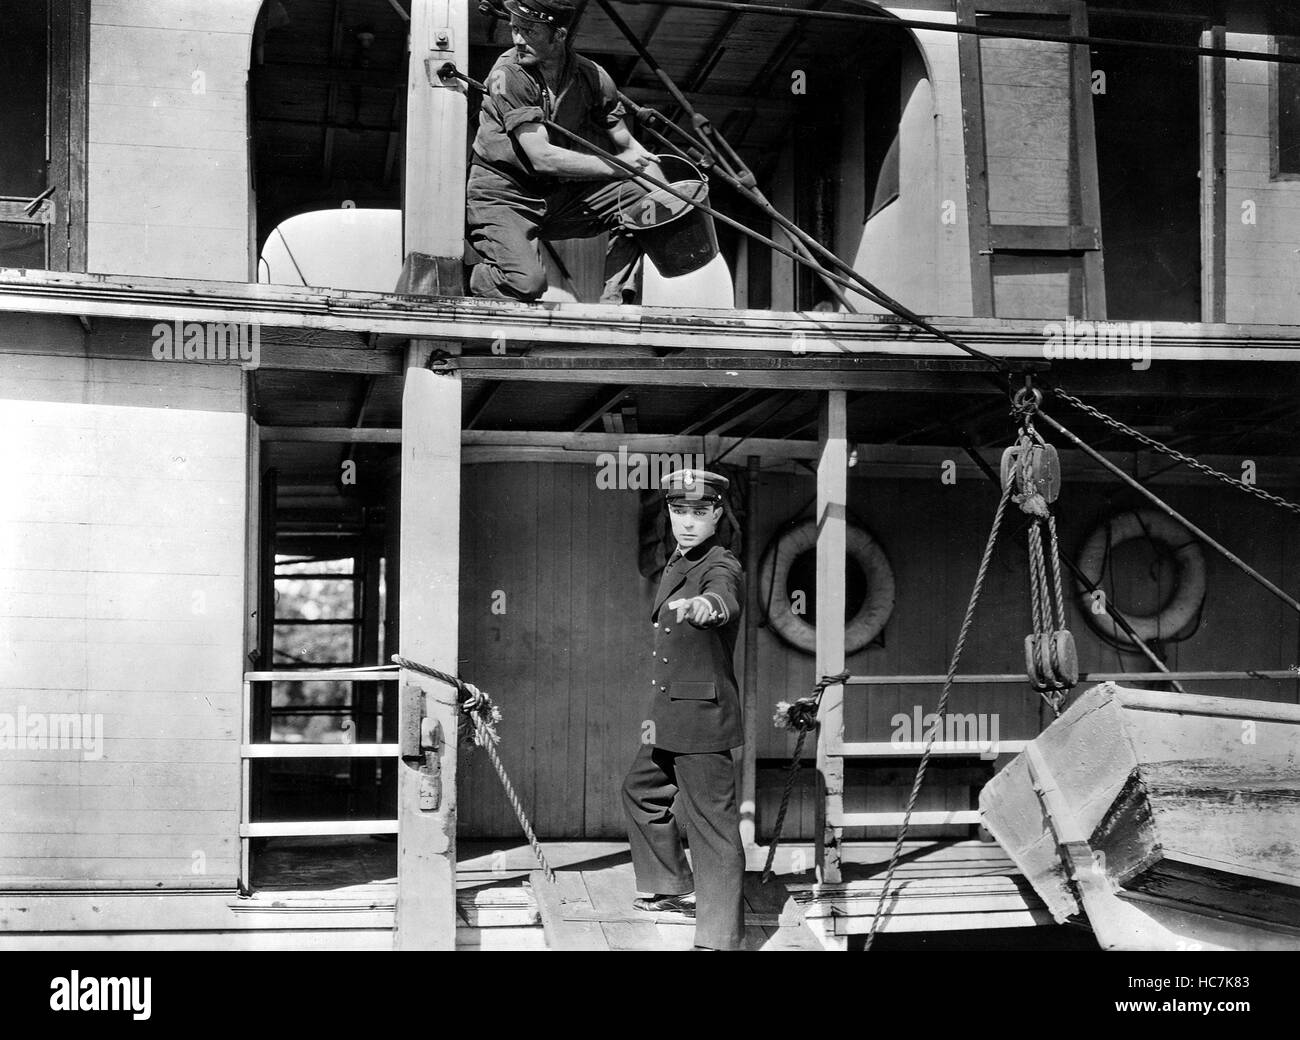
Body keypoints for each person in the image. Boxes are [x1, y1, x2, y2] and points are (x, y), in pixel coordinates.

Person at [621, 468, 746, 951]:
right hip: (668, 716)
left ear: (717, 514)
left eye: (698, 512)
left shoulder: (720, 562)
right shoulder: (677, 560)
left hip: (702, 719)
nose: (687, 521)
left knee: (713, 830)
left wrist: (708, 607)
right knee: (639, 792)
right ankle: (671, 887)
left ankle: (718, 940)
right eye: (678, 511)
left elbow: (723, 597)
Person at [467, 0, 664, 303]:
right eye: (514, 29)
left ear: (558, 35)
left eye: (528, 31)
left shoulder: (593, 77)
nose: (518, 40)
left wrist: (668, 196)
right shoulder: (509, 73)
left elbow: (629, 148)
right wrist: (619, 167)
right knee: (527, 285)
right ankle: (470, 278)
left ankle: (613, 302)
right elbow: (542, 157)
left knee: (643, 199)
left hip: (555, 197)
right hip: (502, 195)